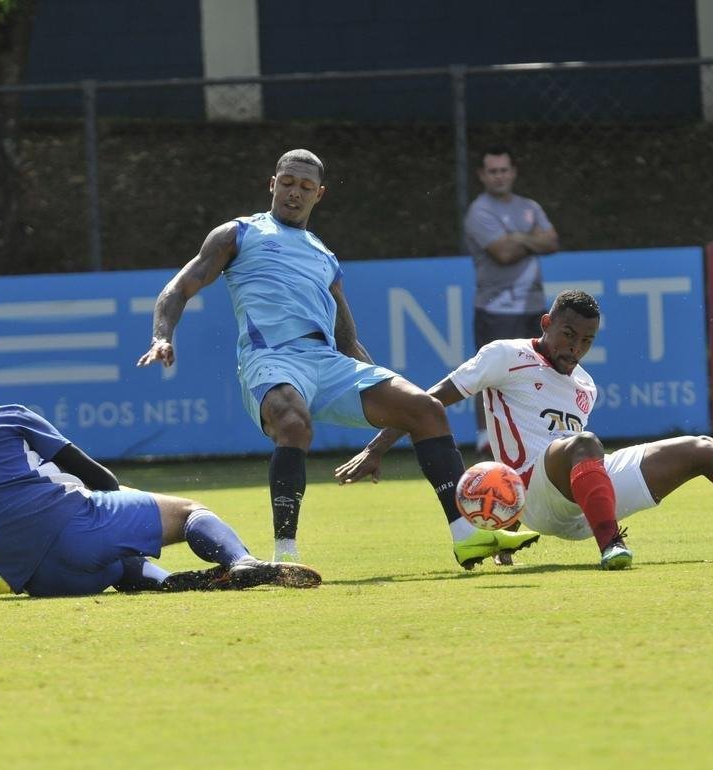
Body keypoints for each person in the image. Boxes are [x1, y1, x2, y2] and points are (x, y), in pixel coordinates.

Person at [136, 149, 539, 570]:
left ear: (319, 195)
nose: (295, 193)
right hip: (271, 358)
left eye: (305, 187)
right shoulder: (238, 234)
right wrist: (162, 336)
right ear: (272, 183)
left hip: (327, 362)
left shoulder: (323, 255)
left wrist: (384, 423)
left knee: (426, 408)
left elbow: (348, 340)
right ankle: (285, 556)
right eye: (288, 183)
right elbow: (180, 287)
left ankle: (466, 535)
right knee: (293, 422)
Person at [334, 290, 713, 570]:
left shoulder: (585, 384)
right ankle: (612, 547)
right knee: (585, 443)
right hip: (528, 490)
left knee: (701, 447)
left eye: (585, 341)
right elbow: (427, 404)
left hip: (575, 491)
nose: (574, 348)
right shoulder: (504, 356)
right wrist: (379, 447)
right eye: (567, 334)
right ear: (546, 324)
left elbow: (578, 459)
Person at [0, 347, 322, 597]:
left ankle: (166, 582)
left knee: (118, 561)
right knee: (187, 512)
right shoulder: (8, 417)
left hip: (45, 583)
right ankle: (242, 563)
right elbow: (99, 480)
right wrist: (125, 499)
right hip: (77, 532)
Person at [465, 145, 559, 462]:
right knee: (491, 372)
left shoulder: (528, 206)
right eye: (493, 171)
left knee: (538, 371)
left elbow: (552, 242)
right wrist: (530, 238)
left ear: (513, 172)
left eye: (504, 170)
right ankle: (484, 441)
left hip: (533, 305)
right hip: (496, 308)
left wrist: (515, 237)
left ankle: (536, 435)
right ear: (482, 175)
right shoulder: (479, 211)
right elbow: (501, 253)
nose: (499, 176)